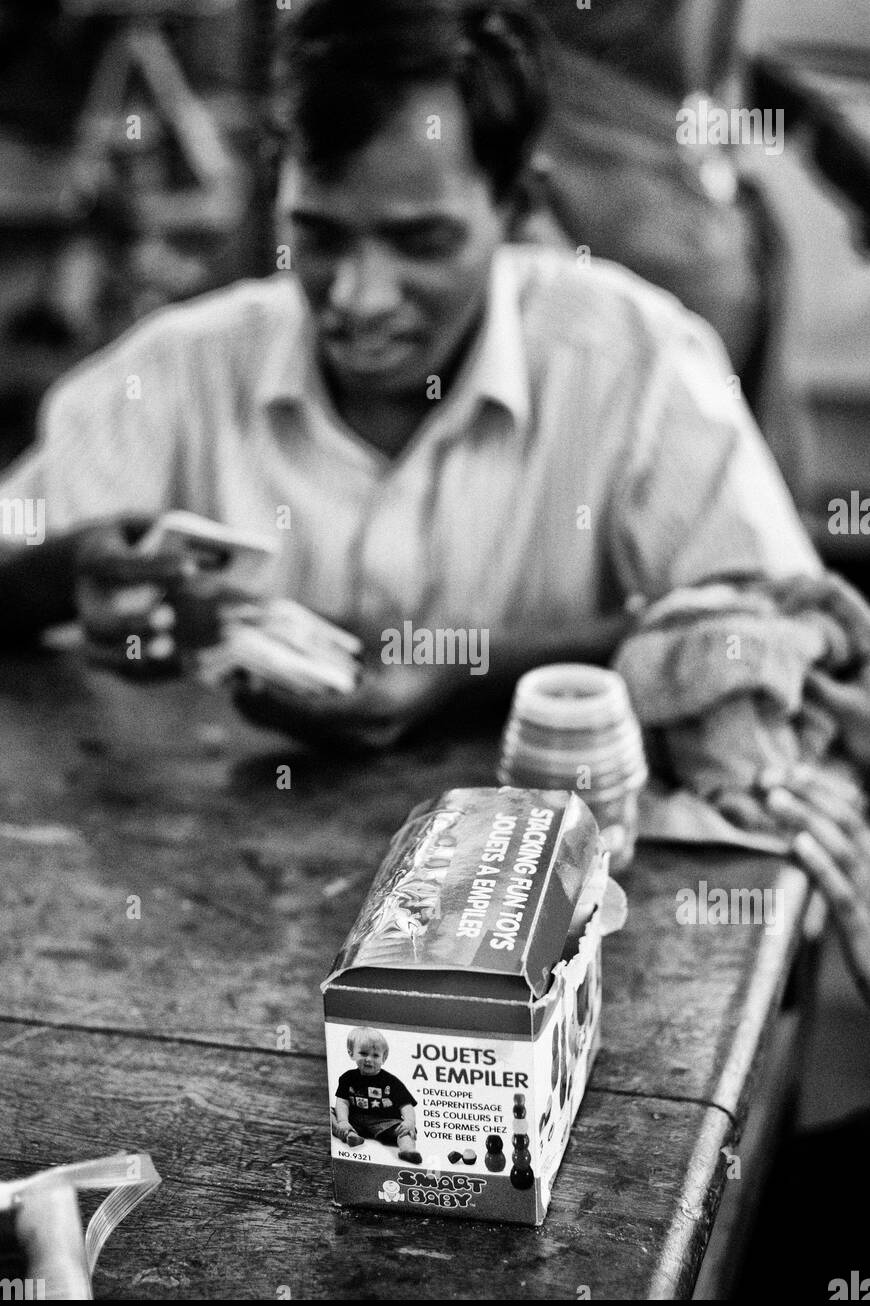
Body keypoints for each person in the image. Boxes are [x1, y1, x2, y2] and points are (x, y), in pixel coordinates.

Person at [0, 0, 869, 997]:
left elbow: (778, 635)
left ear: (518, 205)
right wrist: (68, 570)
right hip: (203, 959)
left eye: (419, 239)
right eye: (318, 236)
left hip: (581, 979)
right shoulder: (182, 368)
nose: (358, 296)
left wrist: (461, 675)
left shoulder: (636, 362)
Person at [333, 1027, 420, 1163]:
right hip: (354, 1119)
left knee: (406, 1130)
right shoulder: (347, 1078)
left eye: (375, 1055)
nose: (369, 1059)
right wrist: (343, 1121)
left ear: (384, 1058)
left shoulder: (391, 1082)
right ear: (351, 1054)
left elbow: (406, 1105)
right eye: (363, 1053)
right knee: (331, 1114)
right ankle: (351, 1135)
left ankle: (407, 1150)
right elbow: (342, 1102)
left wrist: (409, 1121)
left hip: (384, 1121)